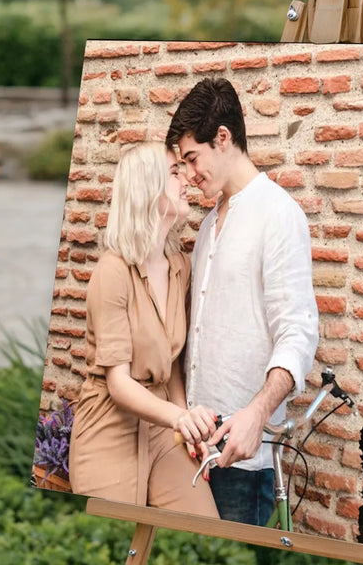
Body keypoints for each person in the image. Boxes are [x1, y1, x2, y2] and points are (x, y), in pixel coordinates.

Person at [167, 78, 319, 526]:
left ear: (224, 138)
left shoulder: (279, 213)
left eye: (192, 158)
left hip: (243, 463)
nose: (190, 174)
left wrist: (257, 413)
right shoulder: (210, 224)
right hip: (192, 451)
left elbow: (298, 333)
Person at [67, 142, 220, 517]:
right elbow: (118, 384)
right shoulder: (113, 271)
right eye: (173, 172)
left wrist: (188, 430)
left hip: (164, 428)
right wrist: (179, 418)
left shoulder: (179, 266)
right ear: (147, 190)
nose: (186, 179)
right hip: (109, 427)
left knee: (206, 533)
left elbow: (176, 362)